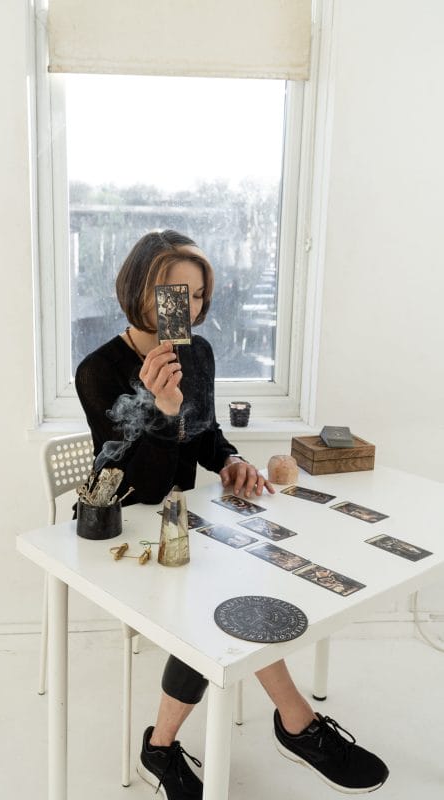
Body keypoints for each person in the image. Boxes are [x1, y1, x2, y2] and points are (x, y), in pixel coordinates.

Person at [75, 230, 389, 799]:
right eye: (173, 293)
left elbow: (206, 436)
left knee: (245, 587)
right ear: (138, 289)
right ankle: (295, 726)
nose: (187, 308)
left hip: (183, 521)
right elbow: (141, 486)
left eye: (196, 296)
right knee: (218, 604)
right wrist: (162, 409)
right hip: (120, 528)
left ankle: (165, 747)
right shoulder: (98, 370)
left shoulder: (197, 353)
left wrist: (232, 461)